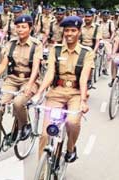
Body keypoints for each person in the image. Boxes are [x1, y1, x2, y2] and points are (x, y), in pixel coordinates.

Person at [33, 16, 94, 162]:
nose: (69, 34)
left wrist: (83, 101)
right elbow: (50, 74)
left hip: (76, 94)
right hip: (56, 93)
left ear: (79, 32)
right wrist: (39, 93)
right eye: (67, 30)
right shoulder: (56, 50)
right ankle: (42, 175)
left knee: (72, 122)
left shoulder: (87, 53)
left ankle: (71, 147)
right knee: (46, 134)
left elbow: (84, 78)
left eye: (73, 30)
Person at [0, 14, 43, 140]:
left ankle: (24, 125)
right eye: (18, 27)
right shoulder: (11, 44)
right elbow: (3, 65)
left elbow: (35, 69)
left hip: (29, 80)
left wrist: (29, 85)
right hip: (12, 79)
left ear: (30, 28)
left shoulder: (36, 45)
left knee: (18, 103)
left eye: (23, 27)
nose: (20, 30)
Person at [100, 10, 115, 75]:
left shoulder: (110, 23)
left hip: (107, 40)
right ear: (102, 16)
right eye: (104, 16)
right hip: (99, 39)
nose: (105, 17)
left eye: (106, 16)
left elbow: (113, 32)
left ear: (108, 16)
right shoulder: (99, 22)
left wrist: (111, 39)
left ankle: (105, 68)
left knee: (108, 55)